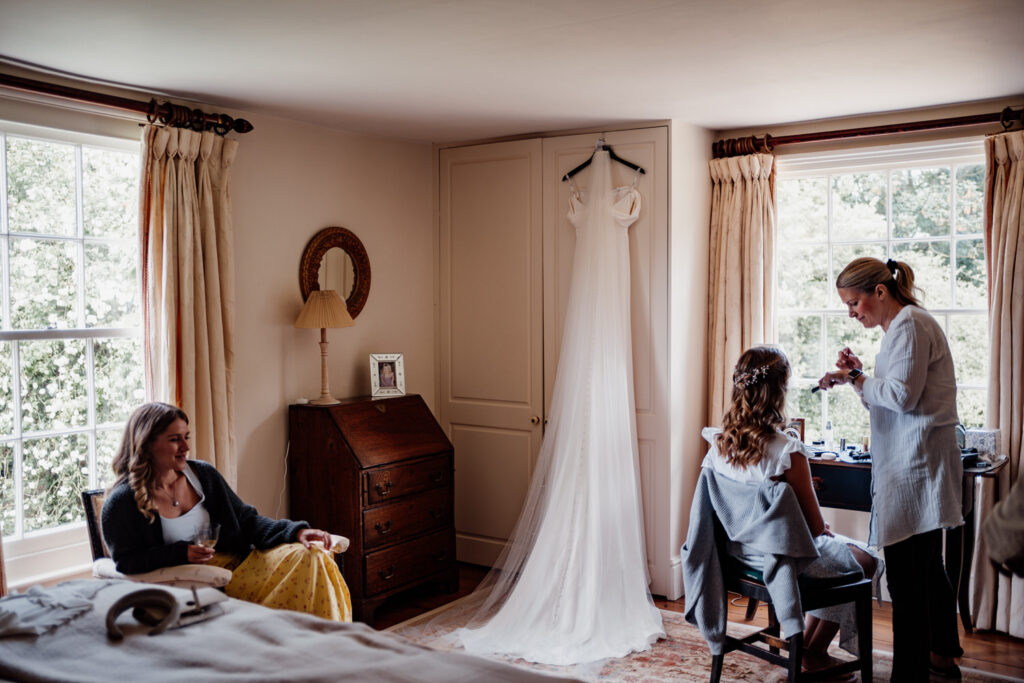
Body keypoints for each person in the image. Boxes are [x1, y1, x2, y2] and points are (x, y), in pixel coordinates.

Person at [817, 257, 963, 681]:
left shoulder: (911, 326)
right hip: (909, 462)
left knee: (906, 582)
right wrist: (858, 377)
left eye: (854, 301)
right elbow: (892, 397)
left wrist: (857, 379)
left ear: (880, 292)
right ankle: (941, 655)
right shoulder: (899, 331)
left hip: (914, 467)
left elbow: (901, 398)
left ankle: (910, 674)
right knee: (926, 571)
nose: (851, 312)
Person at [699, 346, 880, 674]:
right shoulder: (787, 451)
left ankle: (807, 651)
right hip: (779, 559)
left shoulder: (718, 446)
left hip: (738, 556)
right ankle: (814, 650)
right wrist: (822, 529)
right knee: (866, 559)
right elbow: (812, 530)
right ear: (779, 392)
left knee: (836, 553)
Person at [101, 402, 352, 621]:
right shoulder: (123, 502)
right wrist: (179, 553)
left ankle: (324, 646)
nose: (186, 446)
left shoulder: (202, 475)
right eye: (175, 439)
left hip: (241, 566)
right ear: (146, 444)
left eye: (187, 436)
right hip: (202, 581)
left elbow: (247, 520)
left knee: (312, 555)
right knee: (311, 568)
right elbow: (125, 561)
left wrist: (297, 532)